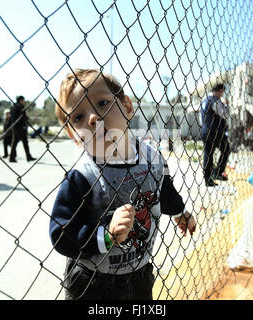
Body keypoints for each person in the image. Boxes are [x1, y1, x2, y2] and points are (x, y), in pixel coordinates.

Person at [49, 69, 196, 300]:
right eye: (78, 117)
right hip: (94, 281)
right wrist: (106, 235)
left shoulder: (153, 158)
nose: (93, 118)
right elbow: (61, 234)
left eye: (103, 102)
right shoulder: (82, 176)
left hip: (139, 273)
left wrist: (180, 212)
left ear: (127, 107)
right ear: (73, 135)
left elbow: (164, 191)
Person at [199, 83, 231, 187]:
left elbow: (201, 119)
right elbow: (225, 114)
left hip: (205, 130)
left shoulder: (205, 100)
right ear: (219, 91)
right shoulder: (215, 101)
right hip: (214, 132)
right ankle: (214, 174)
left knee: (209, 154)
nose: (222, 94)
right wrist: (226, 105)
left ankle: (212, 176)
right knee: (225, 150)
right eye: (222, 92)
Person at [9, 96, 36, 163]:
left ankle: (11, 157)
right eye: (23, 100)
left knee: (14, 142)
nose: (24, 101)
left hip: (14, 127)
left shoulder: (12, 107)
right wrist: (26, 119)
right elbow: (22, 116)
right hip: (21, 127)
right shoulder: (21, 107)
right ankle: (28, 157)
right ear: (21, 100)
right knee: (25, 142)